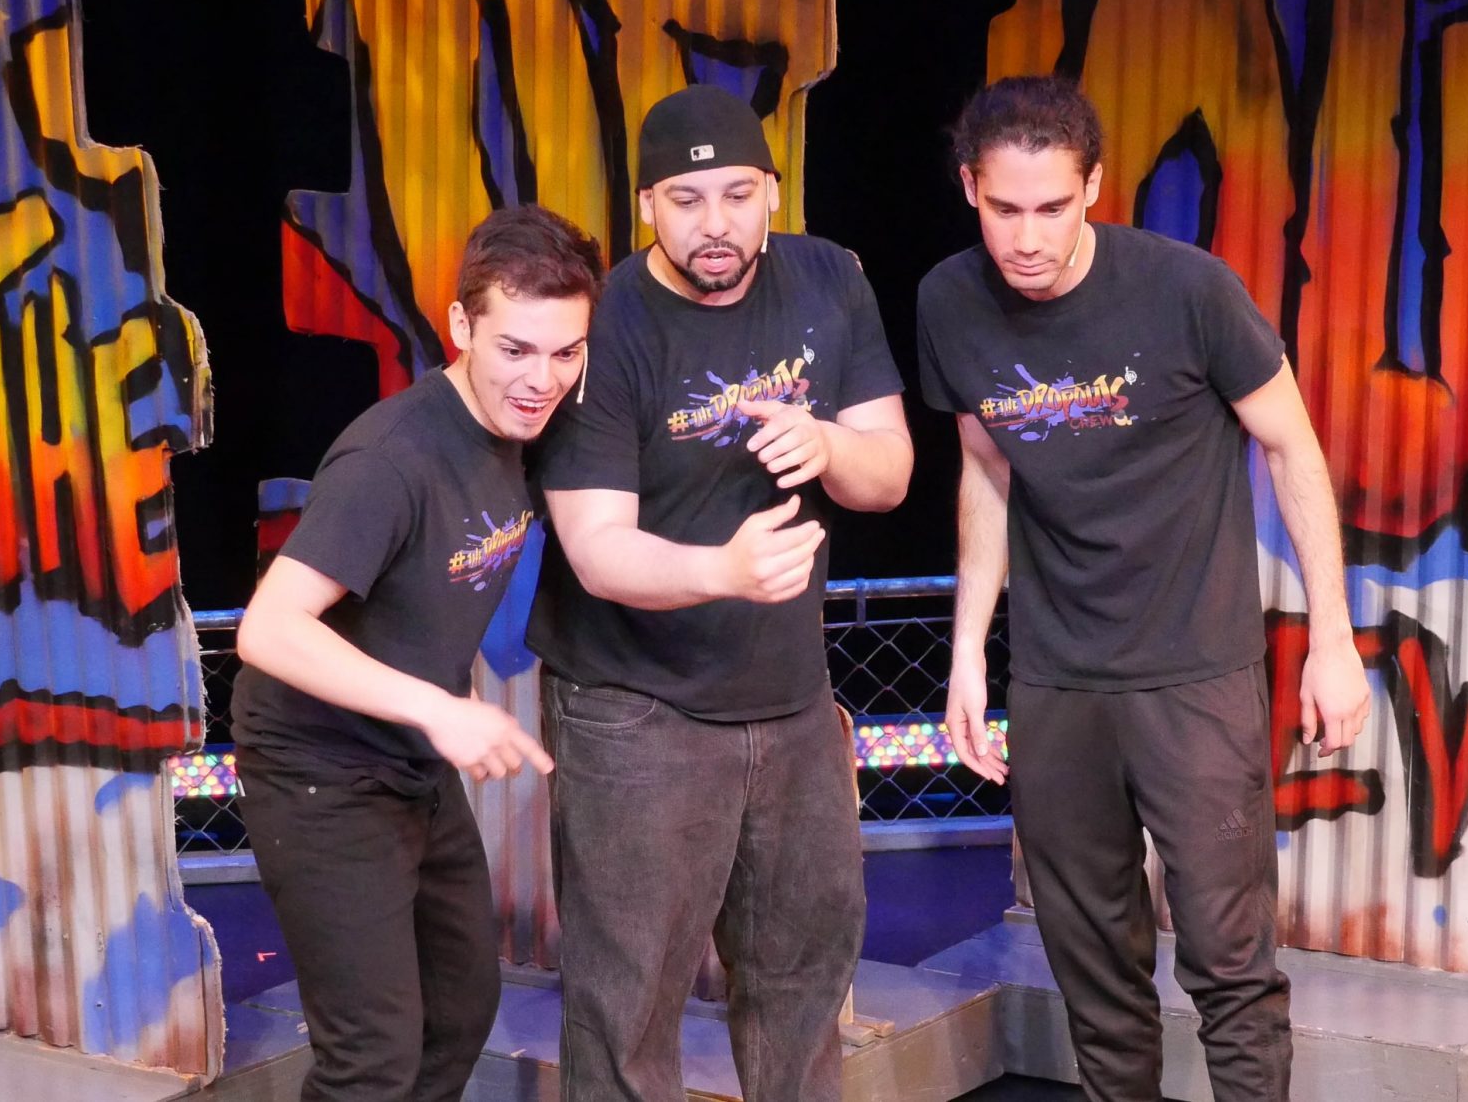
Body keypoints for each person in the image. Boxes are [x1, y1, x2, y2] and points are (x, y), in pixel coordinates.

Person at [918, 75, 1370, 1102]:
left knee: (1230, 964)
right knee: (1094, 976)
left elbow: (1292, 447)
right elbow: (986, 468)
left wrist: (1335, 639)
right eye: (1003, 209)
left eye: (1052, 207)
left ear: (1093, 187)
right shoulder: (949, 300)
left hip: (1193, 673)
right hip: (1058, 680)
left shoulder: (1187, 291)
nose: (1026, 238)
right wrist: (967, 652)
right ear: (970, 188)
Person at [527, 84, 913, 1100]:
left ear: (772, 191)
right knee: (629, 1003)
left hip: (788, 697)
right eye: (686, 199)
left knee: (802, 976)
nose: (715, 224)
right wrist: (724, 573)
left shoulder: (829, 279)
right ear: (646, 205)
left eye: (738, 195)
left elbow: (889, 472)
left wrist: (830, 444)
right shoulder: (606, 323)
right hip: (633, 708)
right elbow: (596, 549)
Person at [228, 204, 604, 1101]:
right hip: (320, 771)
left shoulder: (526, 425)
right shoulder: (391, 458)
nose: (542, 379)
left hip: (409, 765)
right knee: (373, 1056)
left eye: (566, 352)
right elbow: (268, 629)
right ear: (461, 326)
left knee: (459, 1010)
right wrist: (439, 708)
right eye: (516, 349)